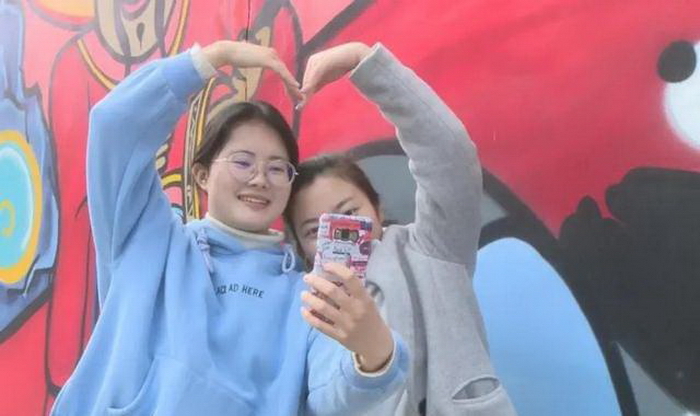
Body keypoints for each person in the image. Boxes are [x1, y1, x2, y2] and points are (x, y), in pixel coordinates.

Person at [50, 40, 408, 416]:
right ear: (202, 174)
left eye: (277, 168)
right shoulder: (148, 238)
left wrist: (374, 354)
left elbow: (331, 395)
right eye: (242, 162)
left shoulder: (306, 294)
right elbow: (115, 126)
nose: (260, 179)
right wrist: (211, 58)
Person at [285, 42, 516, 415]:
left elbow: (449, 155)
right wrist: (370, 357)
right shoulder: (307, 306)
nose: (340, 233)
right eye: (316, 230)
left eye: (349, 212)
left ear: (377, 208)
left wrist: (363, 61)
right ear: (299, 246)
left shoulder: (432, 247)